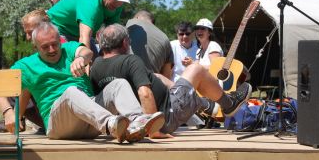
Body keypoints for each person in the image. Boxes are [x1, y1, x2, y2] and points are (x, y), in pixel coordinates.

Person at [12, 22, 164, 143]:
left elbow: (87, 52)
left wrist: (80, 59)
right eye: (45, 47)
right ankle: (111, 124)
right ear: (35, 47)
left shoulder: (69, 49)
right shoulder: (25, 65)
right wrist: (7, 112)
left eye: (55, 44)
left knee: (119, 84)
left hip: (91, 121)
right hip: (59, 125)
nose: (52, 49)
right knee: (71, 92)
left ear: (60, 40)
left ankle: (136, 122)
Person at [90, 24, 252, 137]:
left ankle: (207, 105)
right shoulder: (130, 61)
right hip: (166, 116)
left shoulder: (96, 67)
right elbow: (145, 93)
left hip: (140, 119)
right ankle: (229, 104)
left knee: (158, 77)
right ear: (125, 42)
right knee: (196, 69)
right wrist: (154, 130)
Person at [47, 0, 131, 56]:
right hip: (57, 29)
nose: (118, 4)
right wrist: (86, 64)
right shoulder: (90, 2)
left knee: (97, 63)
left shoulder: (116, 4)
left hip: (77, 33)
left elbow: (113, 35)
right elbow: (84, 37)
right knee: (74, 64)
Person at [125, 10, 173, 79]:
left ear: (137, 17)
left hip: (124, 84)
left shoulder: (130, 24)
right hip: (151, 85)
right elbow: (166, 76)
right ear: (152, 22)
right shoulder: (165, 38)